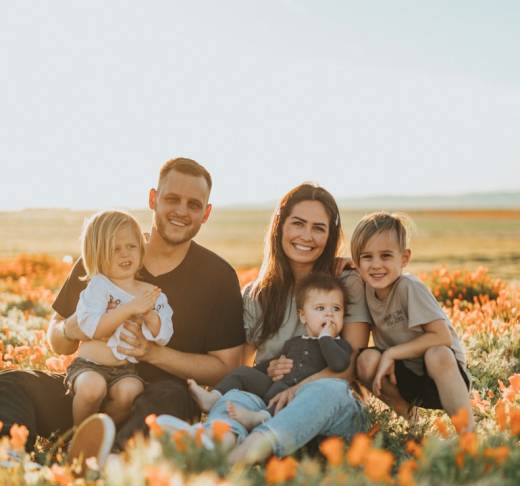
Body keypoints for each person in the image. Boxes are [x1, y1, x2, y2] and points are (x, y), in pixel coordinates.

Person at [0, 157, 245, 457]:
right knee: (12, 384)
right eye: (172, 199)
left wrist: (153, 353)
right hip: (87, 391)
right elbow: (57, 340)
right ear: (153, 199)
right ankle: (10, 460)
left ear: (206, 213)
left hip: (154, 402)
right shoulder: (106, 254)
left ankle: (109, 459)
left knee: (172, 398)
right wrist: (70, 328)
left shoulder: (217, 276)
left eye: (193, 204)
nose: (181, 211)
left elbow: (226, 369)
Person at [156, 182, 371, 465]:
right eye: (298, 224)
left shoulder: (345, 283)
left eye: (319, 228)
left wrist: (297, 388)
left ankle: (242, 456)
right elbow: (238, 365)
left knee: (325, 390)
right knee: (237, 396)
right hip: (269, 402)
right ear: (280, 226)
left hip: (329, 409)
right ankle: (215, 442)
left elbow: (348, 370)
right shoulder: (257, 294)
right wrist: (265, 370)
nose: (307, 236)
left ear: (330, 236)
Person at [351, 211, 474, 430]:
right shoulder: (366, 290)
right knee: (364, 360)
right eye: (367, 257)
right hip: (404, 377)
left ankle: (468, 433)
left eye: (386, 256)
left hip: (442, 377)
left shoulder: (409, 288)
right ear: (357, 263)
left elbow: (442, 337)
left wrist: (391, 353)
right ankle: (412, 421)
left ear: (404, 258)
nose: (376, 265)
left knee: (438, 353)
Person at [188, 272, 352, 430]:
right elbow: (271, 363)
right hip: (274, 386)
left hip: (300, 397)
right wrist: (266, 369)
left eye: (336, 309)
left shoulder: (339, 346)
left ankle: (260, 417)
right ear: (303, 316)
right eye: (320, 308)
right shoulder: (294, 342)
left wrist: (325, 338)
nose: (329, 314)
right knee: (243, 372)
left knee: (283, 399)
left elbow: (338, 364)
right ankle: (213, 398)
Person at [66, 210, 173, 426]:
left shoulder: (152, 293)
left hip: (125, 369)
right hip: (89, 365)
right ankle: (77, 436)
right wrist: (129, 308)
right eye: (115, 249)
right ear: (97, 254)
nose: (125, 254)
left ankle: (105, 434)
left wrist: (151, 317)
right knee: (92, 388)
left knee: (130, 391)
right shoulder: (98, 286)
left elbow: (164, 334)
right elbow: (92, 328)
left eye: (131, 246)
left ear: (141, 249)